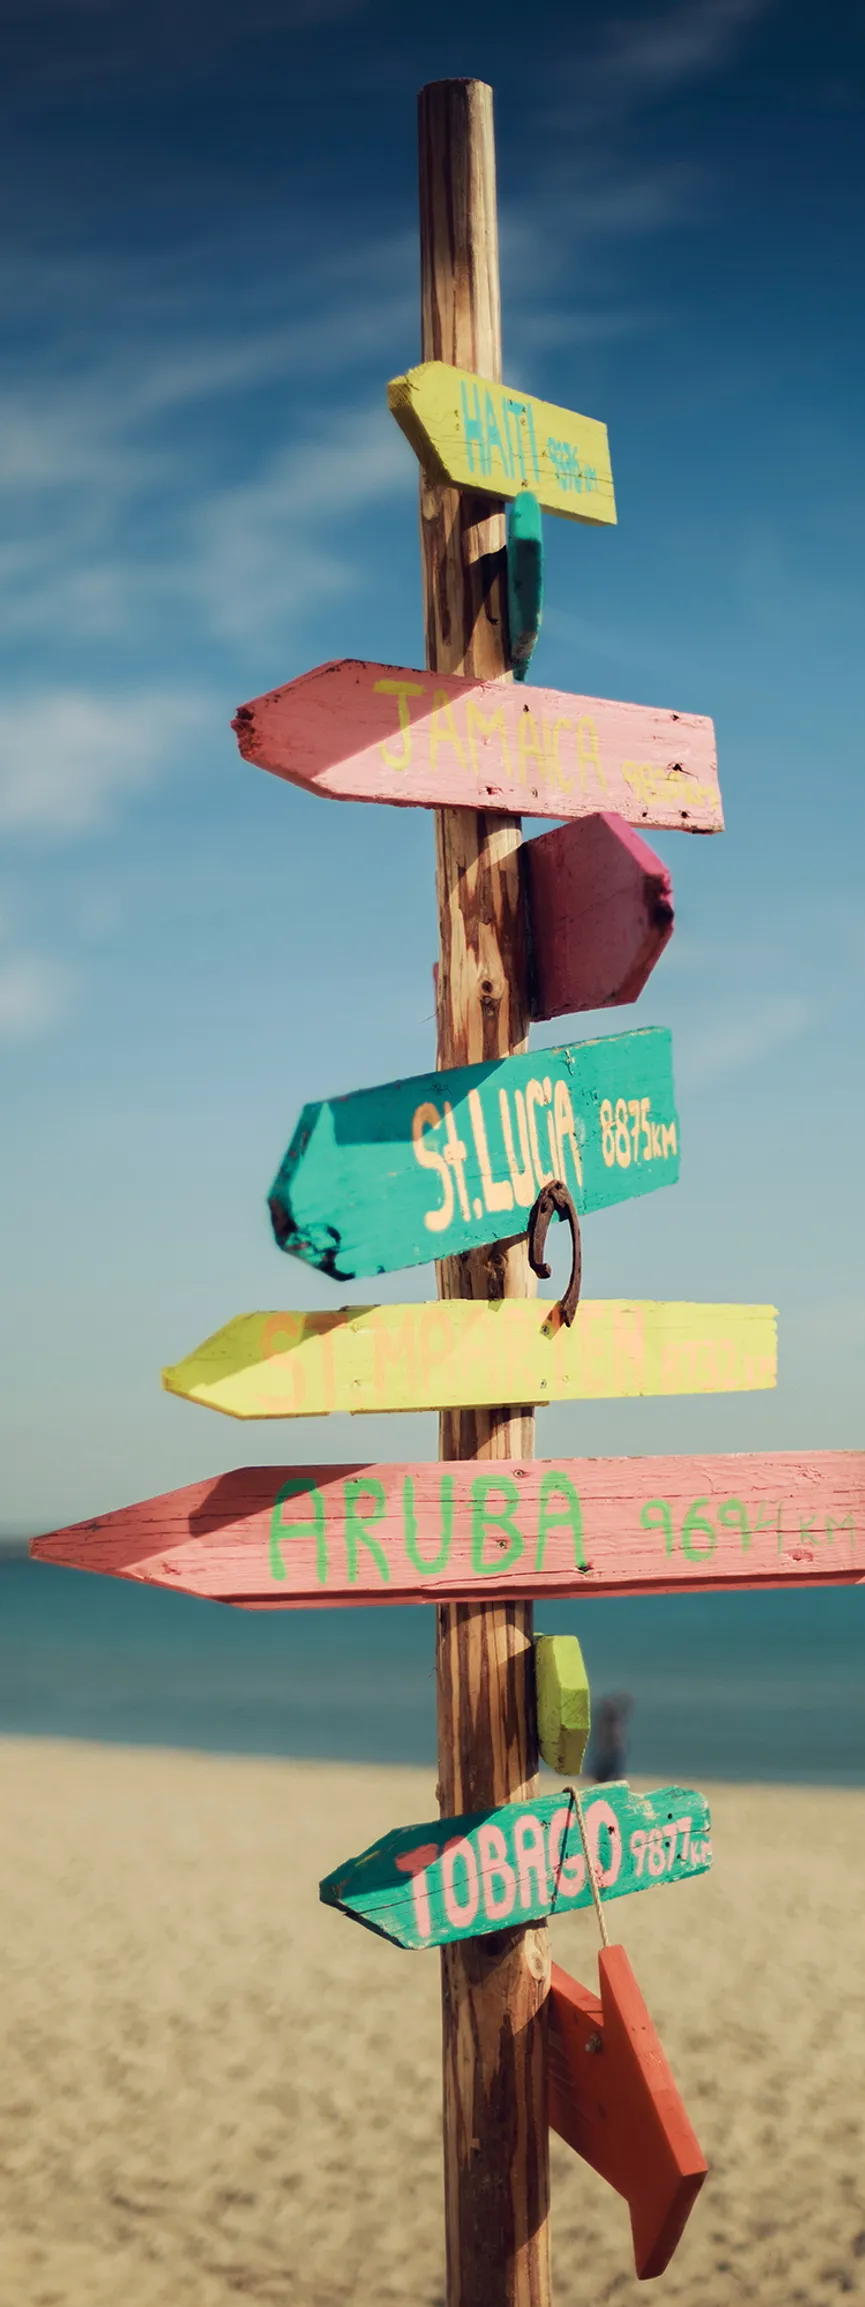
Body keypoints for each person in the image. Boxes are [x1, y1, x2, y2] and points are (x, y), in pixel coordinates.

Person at [587, 1691, 633, 1783]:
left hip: (609, 1752)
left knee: (611, 1778)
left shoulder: (609, 1722)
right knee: (606, 1778)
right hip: (608, 1753)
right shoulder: (609, 1723)